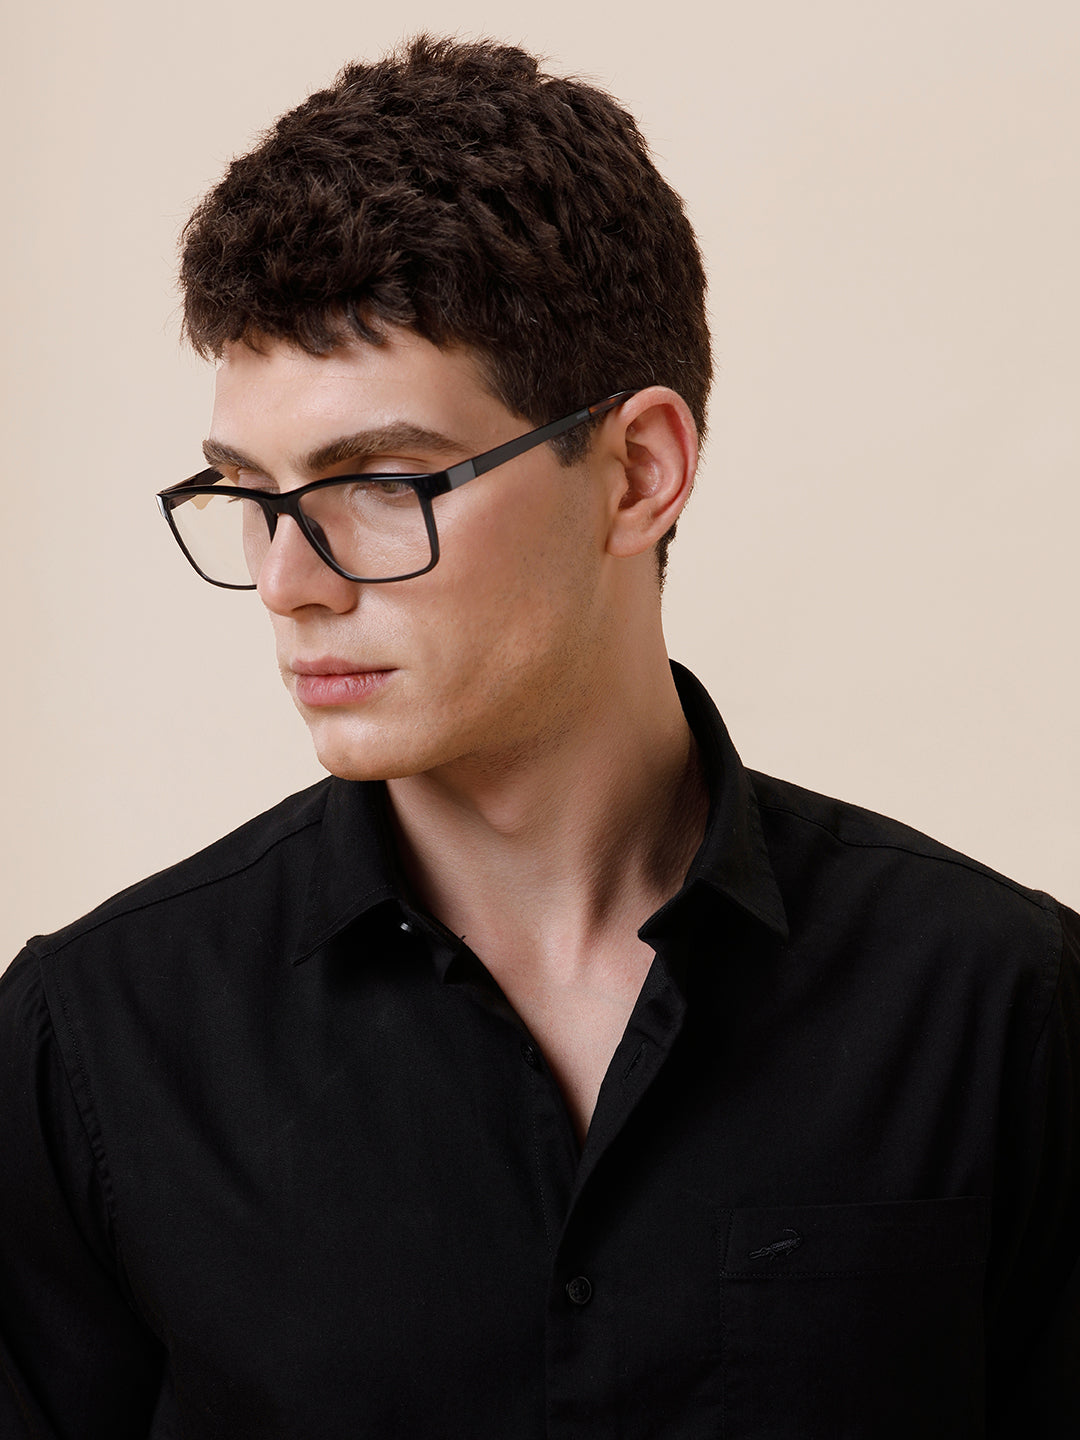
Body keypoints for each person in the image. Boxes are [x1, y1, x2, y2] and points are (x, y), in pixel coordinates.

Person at [1, 33, 1076, 1439]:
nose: (288, 582)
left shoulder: (1006, 1013)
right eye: (249, 497)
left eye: (380, 482)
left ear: (637, 473)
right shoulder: (91, 1043)